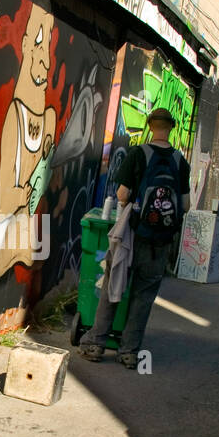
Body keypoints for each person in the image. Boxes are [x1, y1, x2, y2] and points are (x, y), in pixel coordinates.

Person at [79, 108, 190, 370]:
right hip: (160, 241)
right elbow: (184, 205)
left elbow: (123, 194)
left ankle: (95, 343)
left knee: (112, 284)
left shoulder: (138, 154)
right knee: (144, 294)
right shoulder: (180, 162)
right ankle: (129, 352)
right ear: (171, 128)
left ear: (151, 126)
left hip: (132, 235)